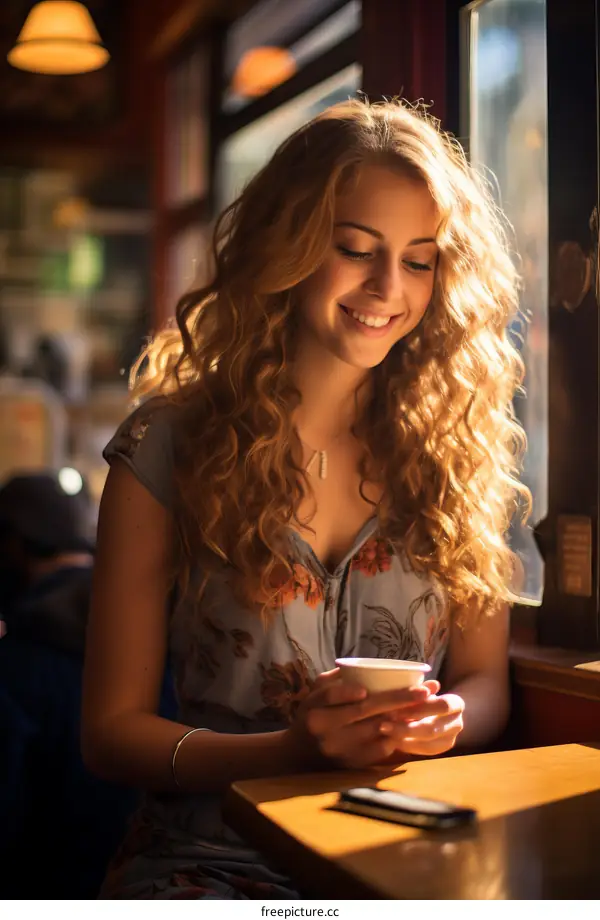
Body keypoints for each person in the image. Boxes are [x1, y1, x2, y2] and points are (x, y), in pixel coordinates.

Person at [83, 99, 530, 900]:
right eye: (356, 248)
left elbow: (485, 682)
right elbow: (109, 736)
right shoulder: (166, 448)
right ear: (286, 247)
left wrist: (447, 721)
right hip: (212, 860)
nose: (388, 287)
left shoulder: (460, 452)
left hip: (404, 852)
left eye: (420, 260)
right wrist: (289, 751)